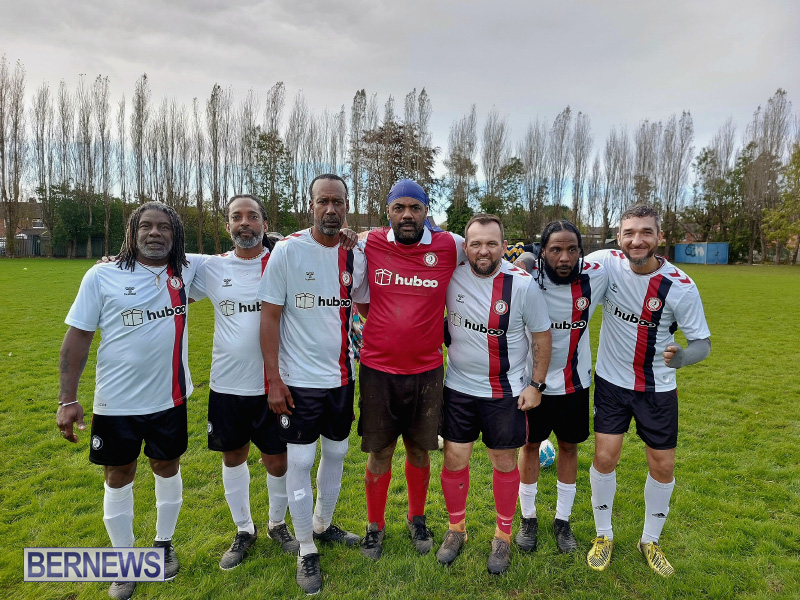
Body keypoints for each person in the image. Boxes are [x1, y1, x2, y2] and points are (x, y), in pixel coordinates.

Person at [56, 202, 201, 600]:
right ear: (132, 232)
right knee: (118, 474)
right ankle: (124, 560)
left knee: (166, 466)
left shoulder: (187, 270)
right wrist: (67, 399)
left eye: (164, 227)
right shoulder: (102, 275)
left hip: (170, 398)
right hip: (116, 403)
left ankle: (163, 544)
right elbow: (78, 337)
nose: (155, 233)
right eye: (146, 226)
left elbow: (244, 254)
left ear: (175, 234)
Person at [584, 204, 711, 577]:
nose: (637, 240)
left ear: (659, 237)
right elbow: (565, 263)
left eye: (645, 232)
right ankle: (603, 535)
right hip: (611, 383)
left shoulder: (680, 287)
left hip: (657, 388)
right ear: (618, 237)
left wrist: (682, 357)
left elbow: (702, 344)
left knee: (663, 465)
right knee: (605, 457)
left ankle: (650, 540)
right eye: (629, 233)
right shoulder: (606, 264)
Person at [259, 174, 366, 595]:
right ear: (311, 205)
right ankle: (306, 547)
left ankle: (322, 523)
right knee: (301, 461)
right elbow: (269, 317)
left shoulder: (354, 256)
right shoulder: (287, 251)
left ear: (346, 206)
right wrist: (273, 379)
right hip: (298, 381)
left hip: (342, 376)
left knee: (337, 453)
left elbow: (365, 305)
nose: (331, 209)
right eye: (323, 201)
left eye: (338, 202)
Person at [355, 178, 466, 561]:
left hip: (427, 372)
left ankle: (417, 518)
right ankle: (374, 526)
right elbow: (362, 300)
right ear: (388, 211)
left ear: (425, 212)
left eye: (414, 208)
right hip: (378, 370)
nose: (407, 215)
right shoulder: (370, 243)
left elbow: (487, 251)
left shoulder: (449, 245)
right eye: (399, 207)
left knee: (420, 450)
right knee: (380, 451)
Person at [436, 214, 551, 574]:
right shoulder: (451, 274)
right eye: (475, 243)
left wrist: (536, 385)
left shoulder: (523, 285)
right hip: (458, 386)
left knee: (503, 462)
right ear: (465, 246)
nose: (483, 250)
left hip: (505, 391)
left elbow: (541, 335)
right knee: (454, 459)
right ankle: (457, 529)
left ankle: (502, 536)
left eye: (491, 243)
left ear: (504, 246)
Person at [189, 195, 299, 570]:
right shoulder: (212, 267)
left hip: (275, 384)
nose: (244, 223)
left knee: (277, 460)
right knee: (233, 456)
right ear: (227, 226)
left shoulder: (283, 261)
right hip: (227, 385)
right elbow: (163, 275)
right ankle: (243, 529)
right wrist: (116, 262)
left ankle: (277, 524)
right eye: (236, 217)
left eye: (252, 216)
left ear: (265, 224)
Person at [513, 220, 608, 554]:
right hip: (531, 384)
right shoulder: (527, 277)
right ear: (543, 252)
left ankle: (562, 520)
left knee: (568, 447)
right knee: (529, 446)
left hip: (574, 383)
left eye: (572, 249)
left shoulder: (595, 277)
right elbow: (515, 258)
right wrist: (526, 257)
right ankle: (528, 517)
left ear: (581, 251)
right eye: (556, 249)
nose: (564, 257)